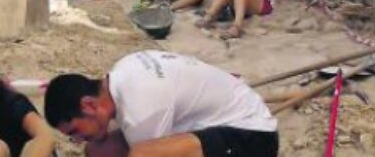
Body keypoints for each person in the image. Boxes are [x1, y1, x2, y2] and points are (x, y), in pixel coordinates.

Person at [44, 50, 279, 157]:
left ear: (88, 106)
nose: (76, 140)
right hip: (212, 125)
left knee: (142, 154)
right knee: (98, 151)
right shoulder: (120, 74)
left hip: (252, 137)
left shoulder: (140, 108)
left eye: (75, 131)